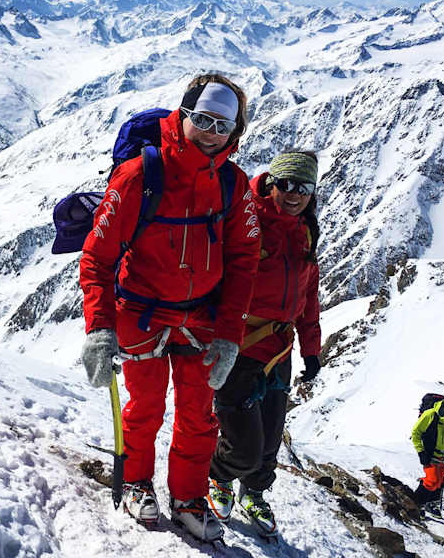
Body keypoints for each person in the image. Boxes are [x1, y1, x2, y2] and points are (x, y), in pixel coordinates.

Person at [79, 74, 260, 542]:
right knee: (145, 408)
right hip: (141, 313)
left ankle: (188, 496)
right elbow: (98, 256)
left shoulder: (233, 185)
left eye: (223, 126)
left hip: (202, 319)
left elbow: (244, 262)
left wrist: (230, 334)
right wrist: (99, 329)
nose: (211, 134)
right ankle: (138, 482)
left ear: (235, 134)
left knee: (200, 415)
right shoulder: (141, 175)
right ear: (182, 117)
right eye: (203, 120)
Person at [205, 149, 322, 538]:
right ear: (272, 182)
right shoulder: (248, 219)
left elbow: (307, 299)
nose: (294, 194)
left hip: (280, 350)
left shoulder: (304, 231)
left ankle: (253, 491)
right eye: (286, 184)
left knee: (271, 437)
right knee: (245, 444)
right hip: (239, 347)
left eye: (304, 188)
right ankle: (217, 475)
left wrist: (311, 349)